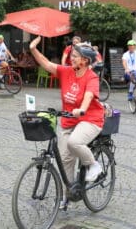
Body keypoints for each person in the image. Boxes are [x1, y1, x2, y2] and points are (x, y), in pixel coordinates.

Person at [29, 36, 104, 209]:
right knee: (64, 161)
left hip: (90, 118)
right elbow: (47, 64)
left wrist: (82, 109)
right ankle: (68, 194)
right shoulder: (66, 71)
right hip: (69, 120)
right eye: (71, 54)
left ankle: (93, 165)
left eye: (75, 56)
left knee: (74, 142)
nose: (71, 58)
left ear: (85, 60)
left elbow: (89, 96)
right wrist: (33, 49)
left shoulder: (91, 77)